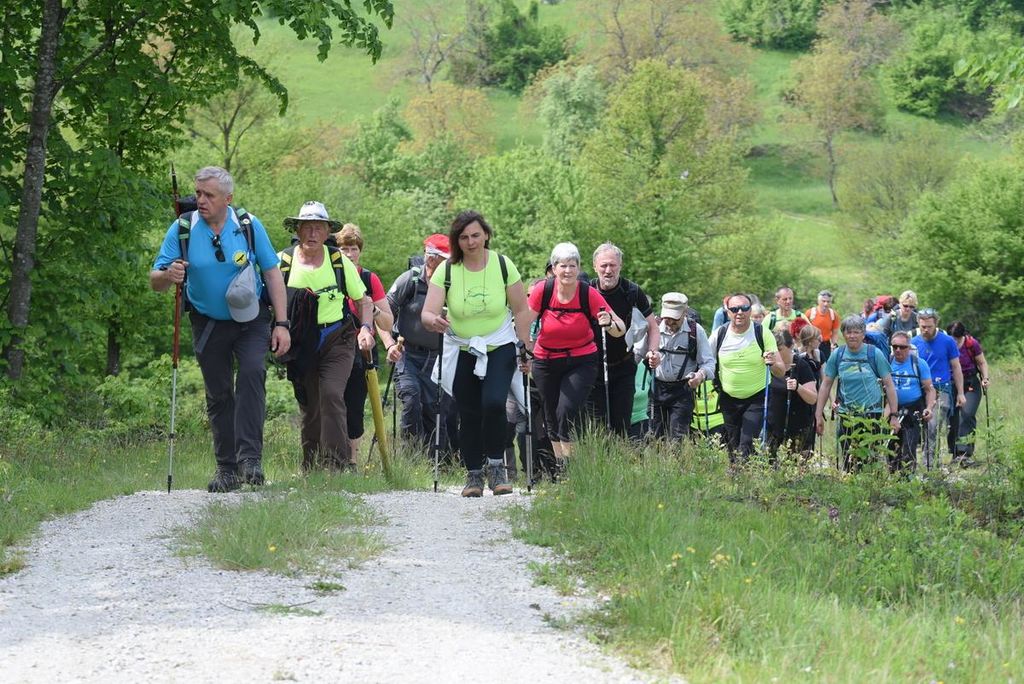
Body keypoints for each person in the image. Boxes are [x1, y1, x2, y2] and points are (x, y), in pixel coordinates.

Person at [150, 166, 290, 492]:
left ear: (228, 198)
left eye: (208, 195)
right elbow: (155, 280)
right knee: (219, 392)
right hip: (207, 320)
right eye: (198, 193)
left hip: (252, 318)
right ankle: (227, 469)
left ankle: (250, 460)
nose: (201, 200)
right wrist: (167, 275)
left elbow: (271, 273)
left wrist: (282, 324)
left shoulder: (248, 225)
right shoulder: (183, 228)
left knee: (253, 373)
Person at [422, 210, 532, 497]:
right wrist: (433, 320)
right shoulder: (447, 271)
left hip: (500, 344)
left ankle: (496, 467)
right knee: (467, 411)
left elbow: (521, 309)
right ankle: (473, 474)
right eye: (464, 237)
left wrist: (525, 344)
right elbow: (428, 312)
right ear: (456, 241)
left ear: (486, 236)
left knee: (494, 402)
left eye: (476, 235)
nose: (471, 242)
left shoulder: (503, 265)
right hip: (462, 347)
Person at [277, 202, 376, 471]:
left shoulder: (338, 261)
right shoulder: (282, 262)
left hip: (338, 338)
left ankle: (336, 466)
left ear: (326, 232)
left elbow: (364, 301)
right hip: (301, 344)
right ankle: (311, 467)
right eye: (306, 227)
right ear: (297, 230)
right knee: (311, 406)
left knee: (332, 394)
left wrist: (366, 329)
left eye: (317, 228)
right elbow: (267, 300)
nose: (311, 233)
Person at [526, 242, 623, 463]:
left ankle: (570, 465)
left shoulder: (587, 292)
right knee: (550, 414)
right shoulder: (543, 290)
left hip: (581, 360)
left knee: (566, 410)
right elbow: (525, 322)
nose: (568, 271)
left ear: (578, 268)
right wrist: (522, 347)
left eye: (572, 265)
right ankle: (562, 467)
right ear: (554, 268)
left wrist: (609, 323)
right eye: (563, 266)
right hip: (546, 359)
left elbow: (619, 329)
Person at [386, 234, 457, 454]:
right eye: (437, 257)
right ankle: (409, 455)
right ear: (430, 258)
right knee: (411, 398)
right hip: (407, 354)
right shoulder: (410, 280)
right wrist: (389, 344)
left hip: (439, 356)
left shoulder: (453, 285)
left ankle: (435, 461)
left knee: (436, 409)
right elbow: (383, 314)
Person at [334, 223, 396, 462]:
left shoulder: (369, 279)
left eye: (353, 249)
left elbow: (388, 323)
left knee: (355, 406)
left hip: (364, 351)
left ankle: (352, 460)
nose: (349, 254)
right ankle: (330, 457)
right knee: (331, 401)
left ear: (360, 251)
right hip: (333, 345)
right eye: (344, 249)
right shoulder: (331, 274)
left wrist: (370, 308)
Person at [590, 243, 660, 435]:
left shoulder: (632, 291)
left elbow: (653, 327)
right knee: (597, 429)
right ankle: (596, 464)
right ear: (595, 267)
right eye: (603, 265)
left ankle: (619, 462)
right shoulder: (587, 290)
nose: (608, 270)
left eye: (613, 265)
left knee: (621, 427)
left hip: (623, 367)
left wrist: (653, 351)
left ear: (620, 266)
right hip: (592, 368)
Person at [814, 315, 899, 472]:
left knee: (871, 461)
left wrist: (893, 415)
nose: (852, 336)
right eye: (848, 332)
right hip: (847, 416)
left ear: (863, 334)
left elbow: (889, 385)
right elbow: (826, 385)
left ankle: (870, 493)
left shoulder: (875, 354)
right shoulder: (838, 355)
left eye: (856, 332)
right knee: (849, 461)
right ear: (843, 334)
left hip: (872, 415)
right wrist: (818, 415)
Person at [711, 293, 786, 463]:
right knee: (732, 443)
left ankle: (743, 478)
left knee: (746, 443)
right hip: (728, 398)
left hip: (757, 397)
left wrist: (772, 362)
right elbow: (707, 361)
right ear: (727, 312)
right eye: (734, 309)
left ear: (750, 310)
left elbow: (781, 371)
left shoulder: (762, 333)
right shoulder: (719, 334)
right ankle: (736, 481)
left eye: (744, 308)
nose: (739, 312)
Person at [651, 292, 714, 440]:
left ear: (685, 313)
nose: (670, 322)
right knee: (653, 436)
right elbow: (637, 354)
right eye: (667, 318)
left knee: (677, 439)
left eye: (675, 318)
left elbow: (709, 362)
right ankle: (655, 463)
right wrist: (649, 356)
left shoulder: (695, 331)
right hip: (656, 388)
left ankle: (676, 463)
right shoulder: (653, 327)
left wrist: (700, 375)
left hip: (683, 391)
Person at [912, 309, 966, 468]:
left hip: (941, 388)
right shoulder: (914, 343)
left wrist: (961, 393)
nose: (925, 330)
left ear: (936, 324)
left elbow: (956, 367)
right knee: (920, 429)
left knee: (933, 426)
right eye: (922, 326)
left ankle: (930, 466)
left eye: (928, 326)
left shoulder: (948, 341)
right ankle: (917, 463)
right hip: (920, 390)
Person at [765, 329, 817, 462]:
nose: (776, 353)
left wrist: (798, 387)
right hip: (772, 429)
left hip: (798, 429)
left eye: (780, 349)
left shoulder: (802, 366)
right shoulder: (768, 367)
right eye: (773, 349)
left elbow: (812, 398)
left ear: (791, 346)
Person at [889, 331, 936, 474]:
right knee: (891, 448)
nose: (898, 350)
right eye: (895, 346)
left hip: (913, 409)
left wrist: (929, 408)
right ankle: (893, 479)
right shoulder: (886, 362)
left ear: (909, 348)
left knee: (909, 447)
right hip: (891, 409)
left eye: (902, 347)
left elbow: (929, 389)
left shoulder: (919, 364)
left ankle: (907, 479)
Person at [947, 321, 990, 465]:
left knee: (967, 413)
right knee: (952, 417)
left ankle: (964, 452)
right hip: (951, 383)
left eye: (957, 338)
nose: (954, 341)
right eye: (952, 337)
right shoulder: (946, 344)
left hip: (970, 382)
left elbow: (982, 362)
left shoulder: (971, 344)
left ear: (962, 335)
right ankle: (954, 451)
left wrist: (985, 378)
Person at [805, 290, 840, 363]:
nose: (826, 304)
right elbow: (803, 330)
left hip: (825, 345)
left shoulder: (833, 315)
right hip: (812, 343)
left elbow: (835, 332)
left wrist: (834, 344)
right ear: (818, 301)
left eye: (828, 301)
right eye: (823, 301)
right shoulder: (810, 313)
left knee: (825, 367)